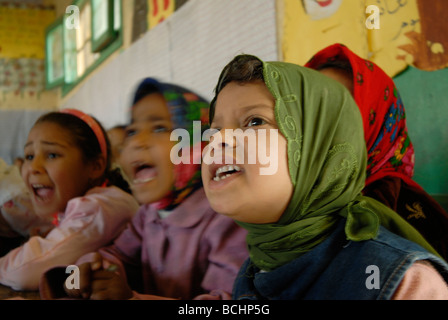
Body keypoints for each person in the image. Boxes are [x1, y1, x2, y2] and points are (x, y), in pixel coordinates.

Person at [201, 54, 448, 300]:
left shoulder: (400, 280)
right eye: (214, 130)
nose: (218, 140)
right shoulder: (258, 264)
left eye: (255, 122)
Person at [39, 78, 248, 300]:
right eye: (132, 131)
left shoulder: (228, 219)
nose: (138, 141)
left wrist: (132, 298)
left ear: (199, 144)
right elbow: (114, 256)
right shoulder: (148, 214)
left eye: (158, 128)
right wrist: (85, 274)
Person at [305, 43, 448, 261]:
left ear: (377, 124)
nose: (320, 123)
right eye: (312, 107)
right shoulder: (283, 190)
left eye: (341, 111)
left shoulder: (397, 208)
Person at [0, 109, 139, 291]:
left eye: (52, 155)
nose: (33, 167)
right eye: (29, 156)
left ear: (95, 167)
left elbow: (24, 271)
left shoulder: (98, 207)